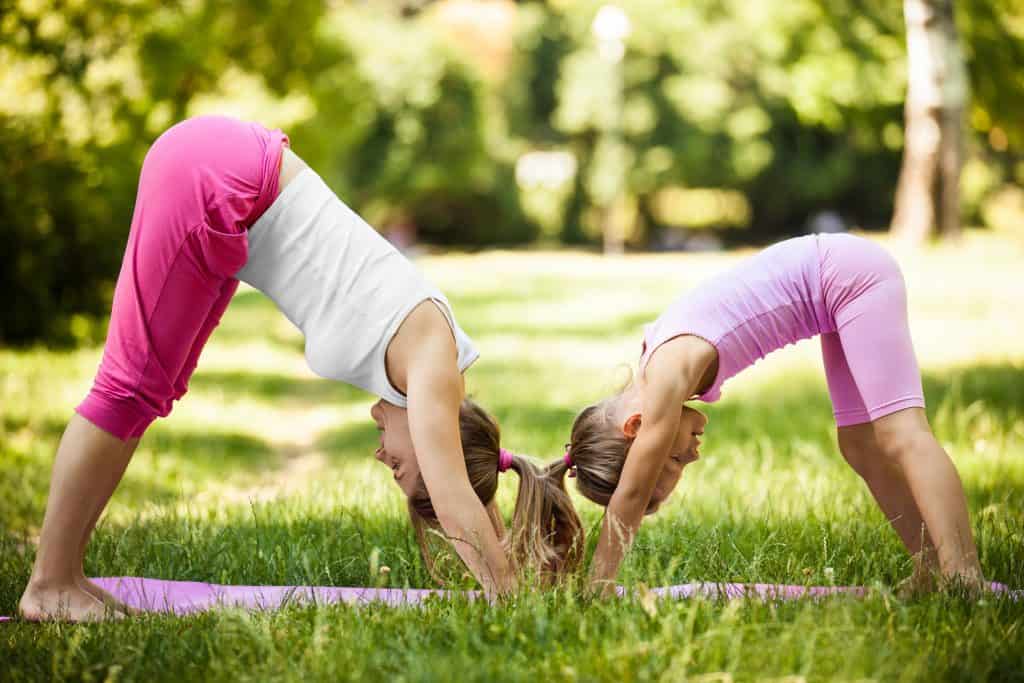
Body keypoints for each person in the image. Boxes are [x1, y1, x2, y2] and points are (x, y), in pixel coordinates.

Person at [18, 115, 575, 621]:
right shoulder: (435, 368)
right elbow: (455, 498)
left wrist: (504, 548)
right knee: (128, 390)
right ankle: (49, 583)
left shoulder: (430, 369)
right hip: (221, 179)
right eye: (402, 468)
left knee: (152, 390)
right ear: (436, 446)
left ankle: (68, 575)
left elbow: (464, 490)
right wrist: (513, 601)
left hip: (232, 189)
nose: (382, 455)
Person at [556, 233, 984, 595]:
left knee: (901, 433)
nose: (693, 456)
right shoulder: (659, 368)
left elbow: (630, 496)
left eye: (672, 459)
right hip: (833, 290)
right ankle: (931, 569)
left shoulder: (664, 381)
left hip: (846, 275)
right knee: (859, 443)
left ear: (635, 428)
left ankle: (964, 576)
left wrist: (598, 585)